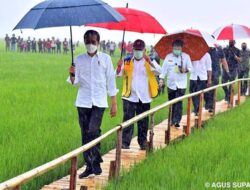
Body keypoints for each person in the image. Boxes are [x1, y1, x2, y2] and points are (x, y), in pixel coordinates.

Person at [67, 30, 118, 178]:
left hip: (99, 101)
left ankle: (95, 162)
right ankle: (89, 166)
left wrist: (114, 103)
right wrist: (71, 73)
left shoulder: (106, 59)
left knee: (93, 130)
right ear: (84, 42)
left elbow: (111, 80)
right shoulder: (79, 59)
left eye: (93, 42)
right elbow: (74, 82)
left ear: (98, 42)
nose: (90, 45)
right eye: (88, 42)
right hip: (83, 102)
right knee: (85, 134)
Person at [116, 39, 161, 150]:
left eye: (140, 50)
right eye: (136, 50)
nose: (138, 52)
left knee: (143, 122)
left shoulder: (149, 62)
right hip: (129, 96)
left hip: (144, 97)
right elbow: (117, 74)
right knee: (128, 120)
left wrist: (150, 61)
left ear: (144, 50)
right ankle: (125, 143)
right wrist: (118, 67)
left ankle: (142, 142)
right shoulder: (126, 61)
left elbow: (159, 71)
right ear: (132, 50)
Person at [159, 39, 193, 128]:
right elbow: (164, 70)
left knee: (179, 102)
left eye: (178, 48)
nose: (176, 50)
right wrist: (161, 79)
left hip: (182, 84)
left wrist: (185, 70)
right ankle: (171, 120)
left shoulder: (186, 57)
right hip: (171, 84)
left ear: (181, 48)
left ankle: (177, 120)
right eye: (175, 48)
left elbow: (190, 68)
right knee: (171, 102)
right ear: (172, 48)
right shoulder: (168, 57)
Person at [204, 45, 230, 112]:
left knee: (212, 89)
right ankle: (207, 102)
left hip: (216, 72)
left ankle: (211, 106)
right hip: (205, 72)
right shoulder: (204, 49)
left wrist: (227, 71)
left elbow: (224, 60)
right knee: (205, 90)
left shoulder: (219, 49)